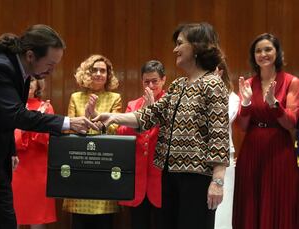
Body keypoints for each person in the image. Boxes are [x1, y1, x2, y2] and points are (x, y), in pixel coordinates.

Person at [0, 25, 98, 229]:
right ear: (31, 55)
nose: (52, 71)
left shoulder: (20, 71)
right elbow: (15, 114)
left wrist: (11, 150)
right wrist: (67, 122)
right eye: (50, 64)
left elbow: (0, 118)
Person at [93, 23, 229, 229]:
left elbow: (219, 135)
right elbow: (149, 115)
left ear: (197, 47)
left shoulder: (212, 84)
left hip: (196, 179)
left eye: (180, 43)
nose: (175, 49)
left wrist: (218, 181)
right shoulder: (178, 85)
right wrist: (111, 117)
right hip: (169, 175)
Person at [233, 33, 299, 229]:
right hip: (252, 149)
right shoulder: (248, 84)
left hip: (279, 149)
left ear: (277, 52)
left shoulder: (291, 81)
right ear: (253, 56)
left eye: (268, 49)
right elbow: (243, 126)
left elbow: (291, 123)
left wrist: (274, 104)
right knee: (251, 202)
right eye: (258, 51)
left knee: (279, 201)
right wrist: (245, 104)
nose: (263, 54)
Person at [62, 54, 122, 229]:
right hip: (80, 164)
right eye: (94, 70)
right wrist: (86, 116)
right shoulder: (75, 97)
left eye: (102, 70)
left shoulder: (114, 98)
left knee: (104, 221)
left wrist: (94, 115)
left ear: (108, 75)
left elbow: (115, 130)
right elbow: (68, 129)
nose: (98, 73)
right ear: (86, 73)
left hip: (104, 164)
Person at [116, 60, 166, 229]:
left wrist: (152, 113)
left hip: (161, 179)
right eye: (147, 82)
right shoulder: (134, 104)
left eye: (155, 81)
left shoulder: (170, 103)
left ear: (163, 80)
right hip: (137, 180)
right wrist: (141, 115)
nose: (151, 85)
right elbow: (121, 133)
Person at [11, 78, 56, 229]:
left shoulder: (46, 107)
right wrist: (34, 122)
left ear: (38, 84)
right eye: (25, 78)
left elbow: (45, 139)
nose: (29, 82)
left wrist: (32, 123)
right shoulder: (13, 106)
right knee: (12, 215)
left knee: (37, 216)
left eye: (33, 79)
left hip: (38, 168)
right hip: (15, 166)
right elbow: (10, 139)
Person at [213, 60, 239, 229]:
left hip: (223, 157)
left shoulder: (232, 97)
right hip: (197, 157)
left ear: (220, 72)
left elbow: (220, 122)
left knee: (222, 211)